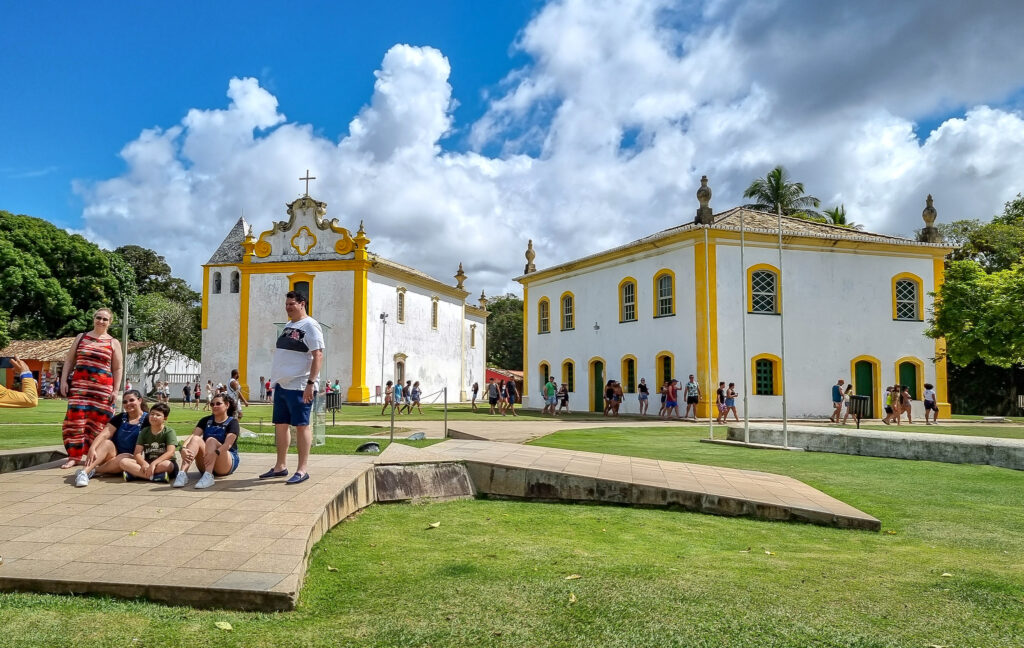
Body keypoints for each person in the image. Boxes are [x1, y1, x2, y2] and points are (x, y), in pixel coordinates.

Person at [260, 290, 324, 485]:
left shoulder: (311, 326)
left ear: (302, 304)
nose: (288, 307)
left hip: (300, 384)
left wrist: (311, 384)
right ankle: (280, 466)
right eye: (287, 304)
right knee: (280, 425)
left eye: (292, 304)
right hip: (282, 384)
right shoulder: (289, 325)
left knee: (302, 425)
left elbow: (318, 355)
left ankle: (302, 469)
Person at [60, 308, 122, 469]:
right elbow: (69, 361)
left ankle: (95, 456)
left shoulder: (113, 342)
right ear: (93, 318)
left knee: (100, 423)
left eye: (105, 319)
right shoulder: (81, 338)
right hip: (80, 389)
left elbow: (117, 368)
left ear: (110, 322)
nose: (101, 321)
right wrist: (63, 381)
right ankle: (74, 456)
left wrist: (115, 390)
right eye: (98, 317)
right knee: (75, 421)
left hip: (102, 390)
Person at [74, 389, 148, 487]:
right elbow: (104, 434)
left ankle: (92, 470)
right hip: (112, 456)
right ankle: (84, 473)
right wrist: (92, 448)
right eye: (125, 402)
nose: (128, 404)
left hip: (131, 458)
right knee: (107, 443)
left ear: (140, 400)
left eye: (131, 400)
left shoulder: (148, 419)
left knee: (123, 458)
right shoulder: (120, 418)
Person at [173, 394, 240, 488]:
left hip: (225, 461)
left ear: (227, 405)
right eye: (212, 404)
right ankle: (182, 474)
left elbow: (228, 445)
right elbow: (193, 435)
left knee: (211, 440)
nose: (214, 406)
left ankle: (208, 476)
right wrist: (183, 448)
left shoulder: (233, 422)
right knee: (196, 439)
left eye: (218, 404)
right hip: (207, 459)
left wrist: (215, 453)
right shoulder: (205, 420)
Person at [121, 402, 178, 482]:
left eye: (158, 415)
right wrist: (144, 463)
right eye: (152, 414)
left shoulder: (169, 432)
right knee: (124, 462)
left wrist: (154, 464)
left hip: (163, 463)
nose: (154, 417)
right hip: (148, 463)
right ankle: (156, 477)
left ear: (165, 418)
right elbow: (137, 453)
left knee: (167, 465)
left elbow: (170, 452)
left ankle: (136, 475)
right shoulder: (144, 431)